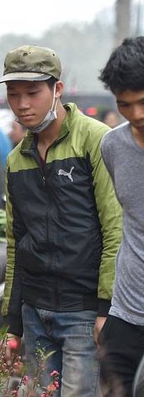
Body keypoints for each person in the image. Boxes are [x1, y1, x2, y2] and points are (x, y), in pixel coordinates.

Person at [0, 44, 122, 396]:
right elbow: (15, 241)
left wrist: (105, 308)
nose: (22, 104)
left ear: (57, 90)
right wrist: (14, 324)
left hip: (82, 311)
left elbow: (115, 228)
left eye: (33, 93)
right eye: (13, 94)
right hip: (35, 310)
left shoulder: (94, 139)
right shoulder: (16, 159)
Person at [97, 36, 144, 397]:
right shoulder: (113, 147)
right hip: (126, 315)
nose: (137, 115)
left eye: (143, 102)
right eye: (125, 105)